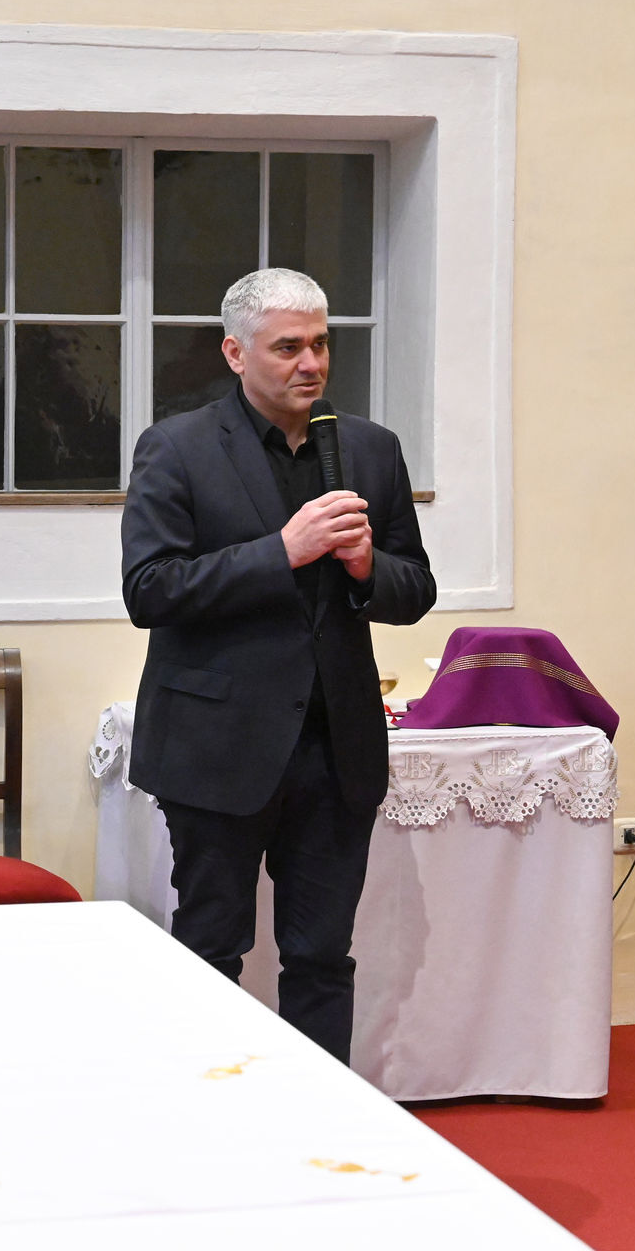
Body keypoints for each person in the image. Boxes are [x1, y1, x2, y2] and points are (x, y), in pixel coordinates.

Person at [120, 267, 436, 1064]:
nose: (312, 364)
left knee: (322, 957)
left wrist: (367, 568)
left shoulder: (369, 448)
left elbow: (416, 588)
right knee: (210, 950)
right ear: (235, 353)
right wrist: (282, 552)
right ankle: (208, 1112)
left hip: (336, 750)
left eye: (321, 345)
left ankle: (321, 1119)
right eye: (288, 347)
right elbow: (150, 589)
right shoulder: (177, 448)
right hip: (216, 747)